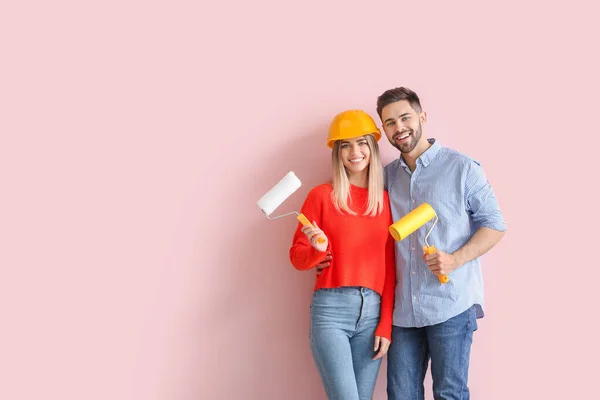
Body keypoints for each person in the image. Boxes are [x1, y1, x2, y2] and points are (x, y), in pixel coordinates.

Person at [377, 87, 506, 399]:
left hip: (451, 302)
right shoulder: (387, 177)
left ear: (422, 117)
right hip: (404, 311)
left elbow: (495, 224)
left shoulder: (461, 168)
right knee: (401, 395)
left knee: (449, 393)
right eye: (390, 123)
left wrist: (455, 259)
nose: (399, 128)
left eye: (405, 117)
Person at [289, 109, 396, 400]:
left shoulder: (385, 202)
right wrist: (316, 250)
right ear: (337, 153)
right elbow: (297, 257)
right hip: (331, 311)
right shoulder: (321, 196)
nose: (354, 151)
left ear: (372, 147)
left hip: (372, 314)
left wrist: (385, 325)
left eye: (361, 143)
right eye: (345, 145)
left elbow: (389, 269)